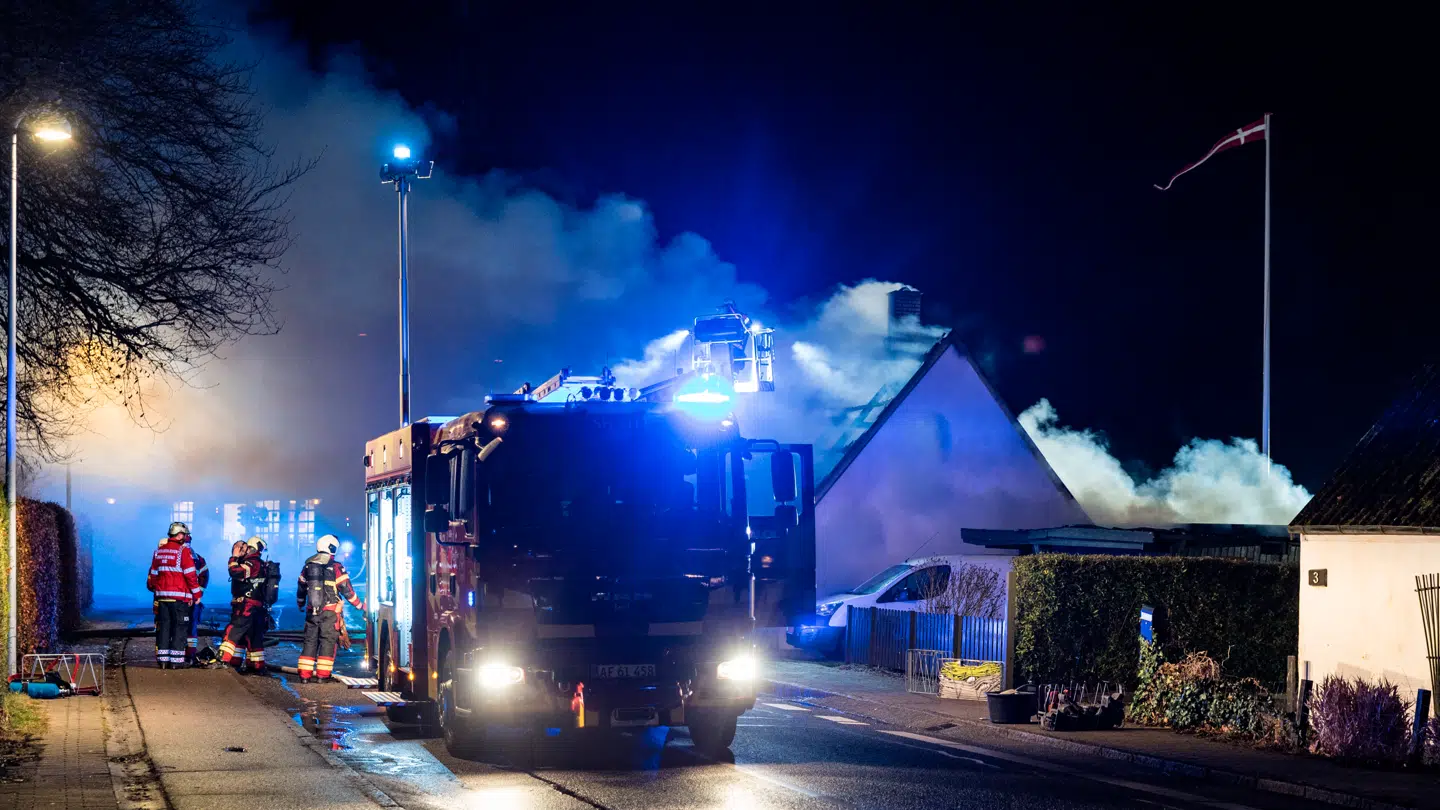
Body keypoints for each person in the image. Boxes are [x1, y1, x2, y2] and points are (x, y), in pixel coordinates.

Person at [296, 535, 362, 683]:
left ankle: (304, 676)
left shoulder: (308, 566)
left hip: (311, 611)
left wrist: (300, 603)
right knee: (327, 641)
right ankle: (322, 676)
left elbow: (301, 588)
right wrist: (360, 606)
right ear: (331, 547)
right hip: (330, 612)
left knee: (310, 641)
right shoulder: (336, 567)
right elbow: (347, 590)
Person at [146, 522, 203, 669]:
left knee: (164, 627)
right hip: (179, 599)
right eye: (184, 535)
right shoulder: (182, 551)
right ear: (179, 535)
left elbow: (153, 575)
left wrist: (157, 589)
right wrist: (196, 594)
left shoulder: (158, 552)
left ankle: (163, 660)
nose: (185, 537)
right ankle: (176, 662)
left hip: (162, 598)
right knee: (180, 628)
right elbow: (190, 575)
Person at [219, 536, 269, 673]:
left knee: (233, 631)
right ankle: (256, 665)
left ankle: (223, 659)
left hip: (247, 606)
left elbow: (235, 571)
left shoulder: (252, 563)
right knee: (252, 637)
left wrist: (234, 557)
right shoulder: (258, 563)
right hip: (255, 607)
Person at [185, 545, 210, 665]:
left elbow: (204, 576)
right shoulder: (177, 555)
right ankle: (184, 655)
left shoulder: (198, 559)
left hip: (187, 599)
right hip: (184, 599)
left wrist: (197, 595)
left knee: (189, 627)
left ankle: (189, 654)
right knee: (187, 627)